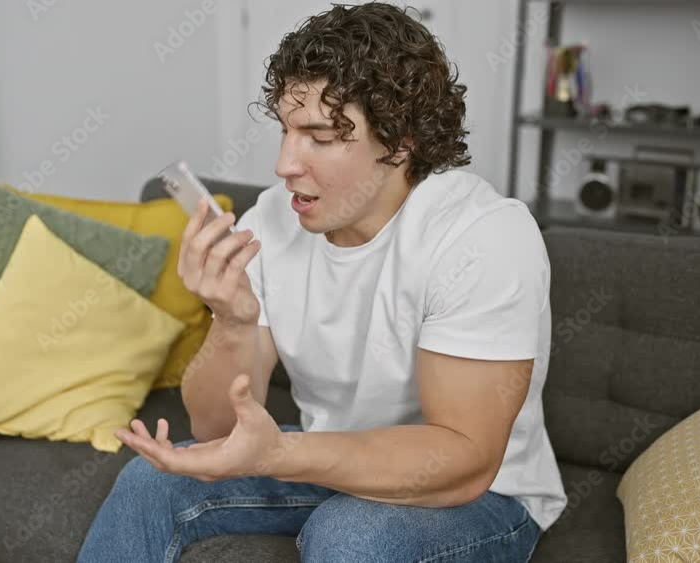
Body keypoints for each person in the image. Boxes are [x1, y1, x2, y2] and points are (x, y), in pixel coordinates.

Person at [78, 3, 566, 561]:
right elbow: (215, 427)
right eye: (287, 131)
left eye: (320, 136)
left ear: (400, 141)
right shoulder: (270, 223)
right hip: (328, 459)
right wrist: (232, 321)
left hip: (487, 496)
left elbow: (462, 461)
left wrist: (278, 453)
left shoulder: (481, 236)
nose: (286, 163)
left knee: (352, 533)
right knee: (149, 482)